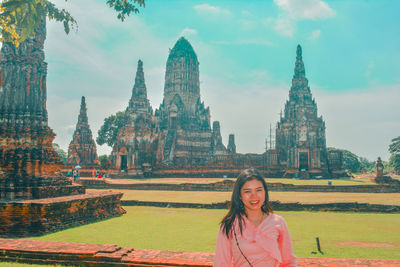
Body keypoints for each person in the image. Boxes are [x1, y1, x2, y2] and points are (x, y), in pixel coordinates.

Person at [214, 168, 297, 267]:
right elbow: (221, 263)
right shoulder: (229, 225)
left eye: (258, 190)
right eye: (247, 192)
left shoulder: (278, 222)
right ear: (240, 195)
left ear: (265, 192)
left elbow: (289, 262)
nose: (254, 196)